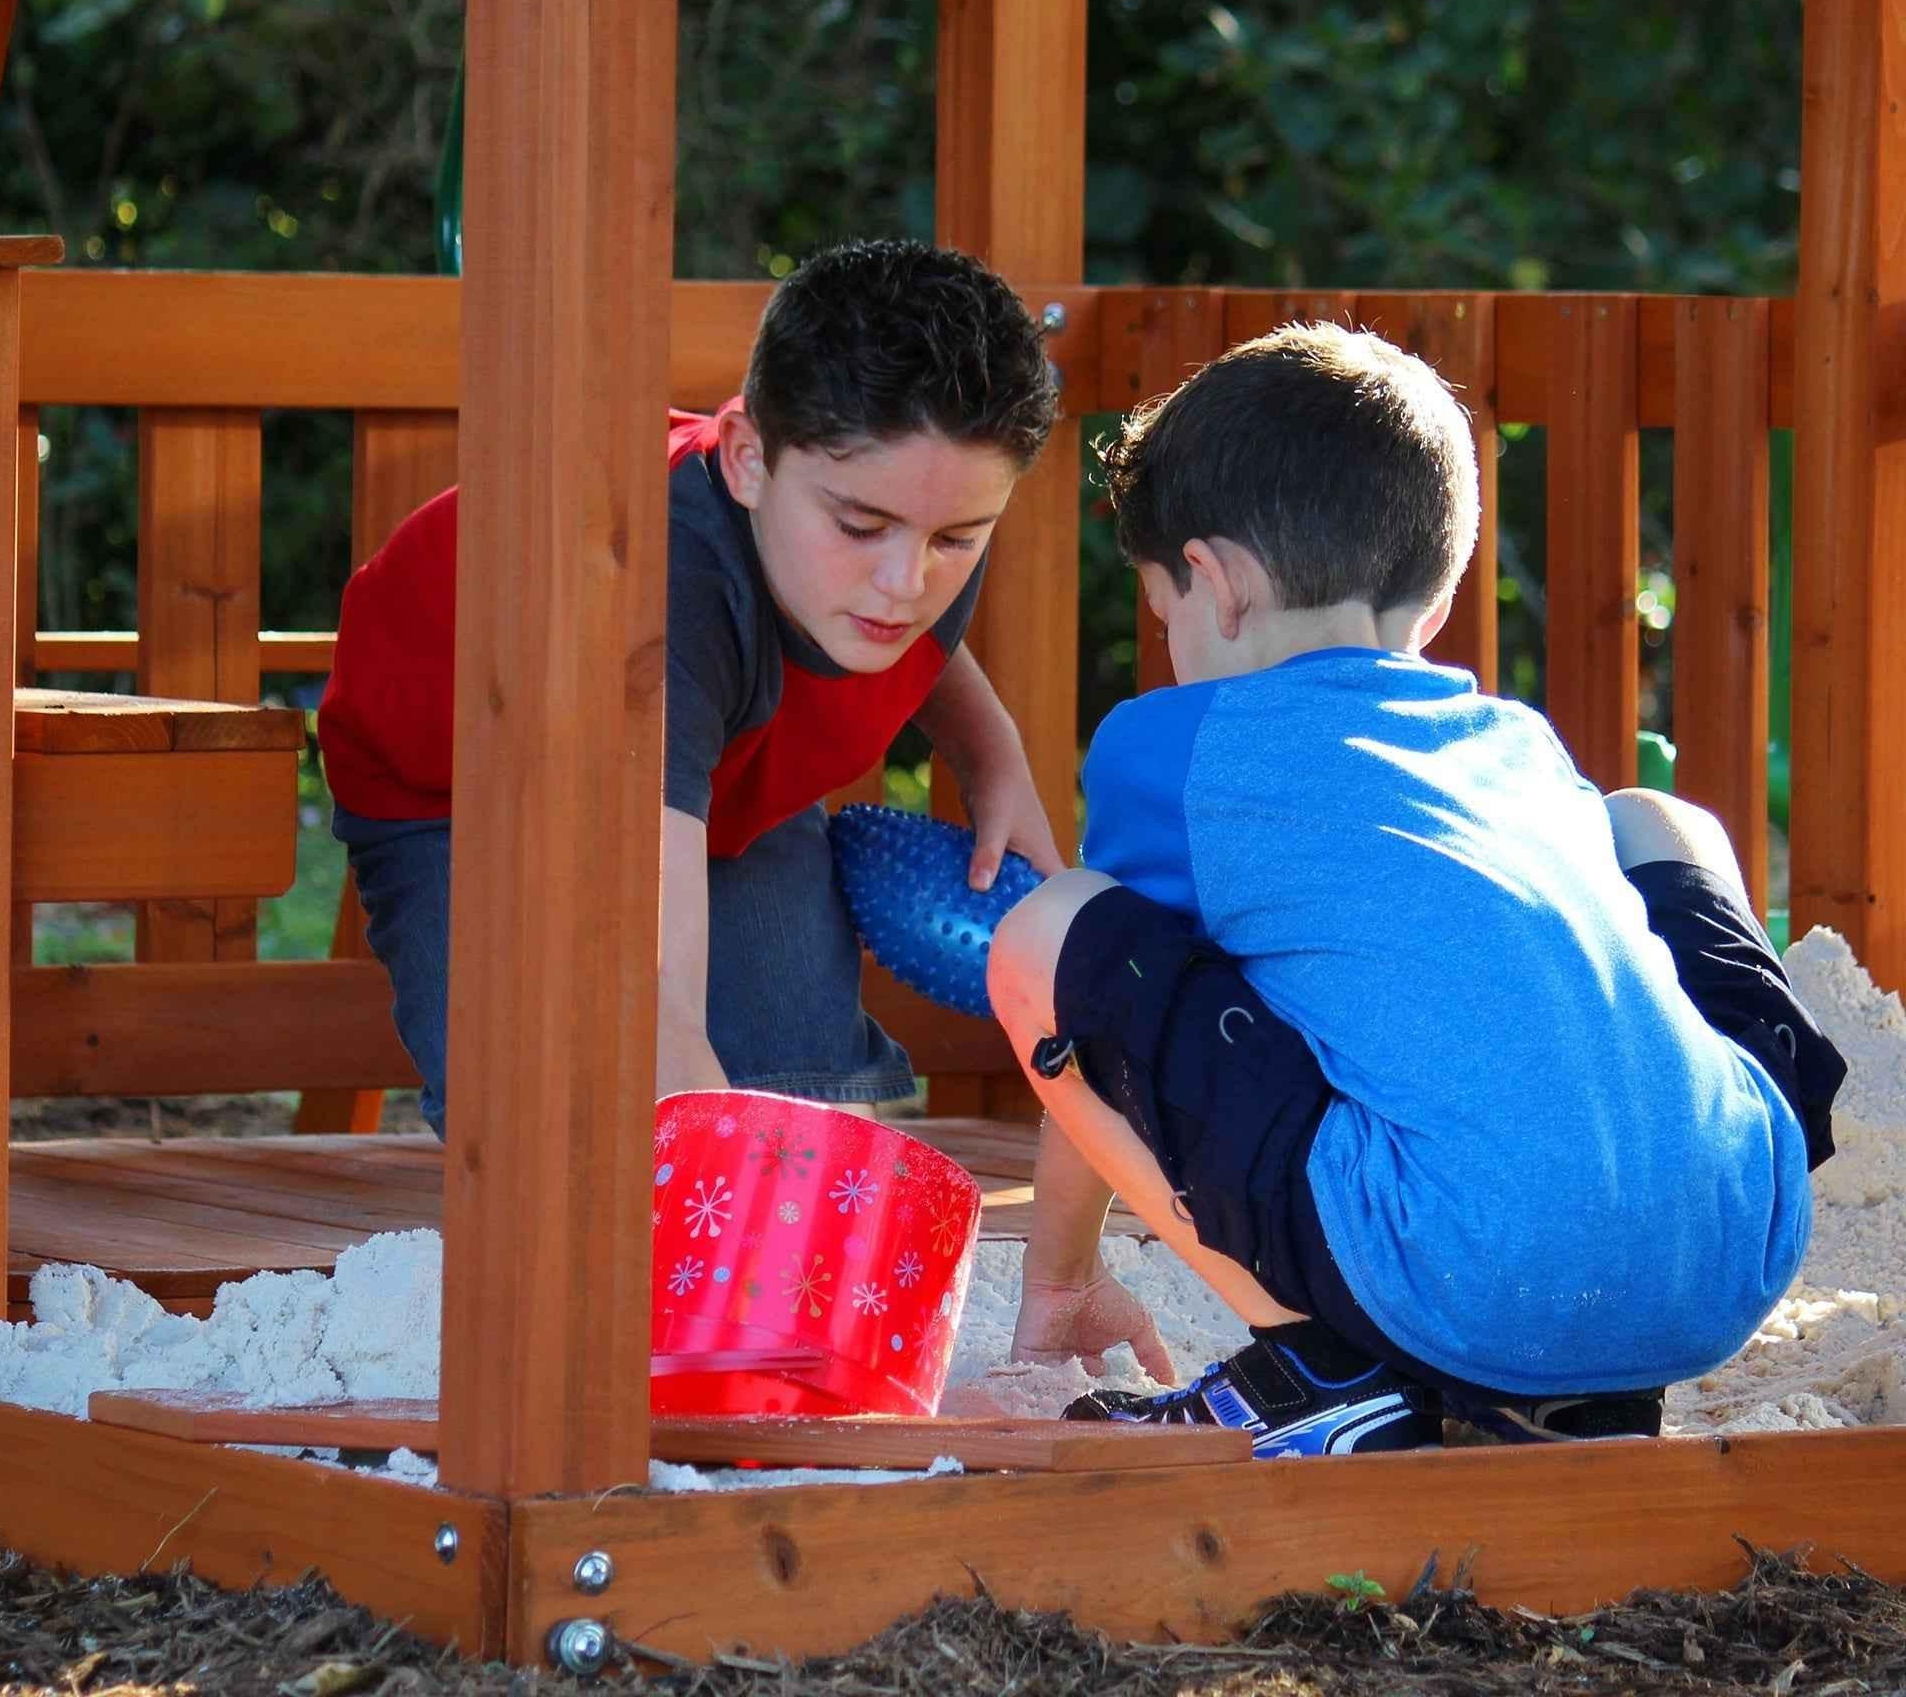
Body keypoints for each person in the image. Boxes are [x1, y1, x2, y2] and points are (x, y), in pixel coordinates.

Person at [985, 322, 1846, 1455]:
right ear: (1432, 603)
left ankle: (1319, 1357)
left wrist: (1060, 1279)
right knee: (1652, 818)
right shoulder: (1516, 745)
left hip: (1465, 1272)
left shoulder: (1180, 745)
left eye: (1165, 613)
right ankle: (1568, 1360)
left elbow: (1106, 1007)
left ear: (1215, 581)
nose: (1170, 644)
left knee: (1044, 932)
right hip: (1725, 1247)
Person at [320, 239, 1066, 1134]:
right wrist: (718, 1176)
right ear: (748, 458)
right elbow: (657, 1001)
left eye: (956, 540)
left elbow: (927, 636)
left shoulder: (915, 521)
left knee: (795, 1075)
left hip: (709, 767)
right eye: (862, 526)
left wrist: (991, 752)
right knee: (555, 1114)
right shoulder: (655, 594)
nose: (906, 582)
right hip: (473, 786)